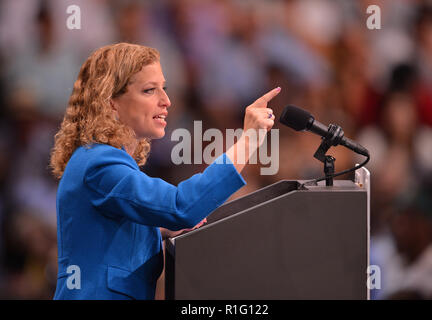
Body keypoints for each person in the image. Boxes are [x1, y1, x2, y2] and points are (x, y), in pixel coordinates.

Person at [49, 43, 280, 300]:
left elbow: (108, 236)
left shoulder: (100, 159)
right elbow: (181, 207)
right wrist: (247, 141)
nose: (166, 101)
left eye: (164, 89)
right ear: (111, 102)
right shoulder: (99, 163)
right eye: (149, 90)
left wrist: (160, 231)